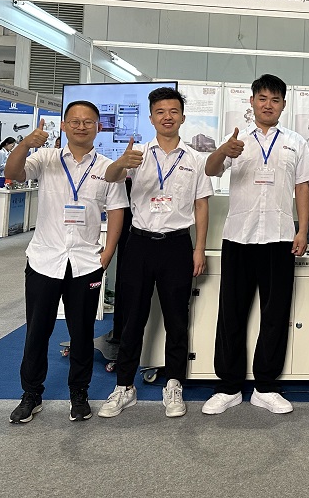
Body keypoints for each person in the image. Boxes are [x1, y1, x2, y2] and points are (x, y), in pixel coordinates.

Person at [5, 102, 128, 424]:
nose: (81, 126)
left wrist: (108, 252)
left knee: (82, 332)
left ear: (98, 127)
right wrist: (25, 144)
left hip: (86, 262)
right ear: (63, 125)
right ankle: (31, 395)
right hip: (45, 259)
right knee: (37, 331)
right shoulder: (45, 158)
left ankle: (79, 394)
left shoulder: (108, 168)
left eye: (88, 121)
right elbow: (13, 174)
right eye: (75, 121)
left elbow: (117, 209)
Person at [201, 74, 309, 416]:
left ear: (283, 105)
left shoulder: (296, 142)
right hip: (239, 237)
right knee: (231, 313)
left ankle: (265, 386)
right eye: (262, 98)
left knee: (275, 314)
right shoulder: (236, 140)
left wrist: (303, 230)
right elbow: (211, 170)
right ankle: (228, 386)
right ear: (251, 101)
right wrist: (223, 151)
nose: (268, 105)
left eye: (275, 100)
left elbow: (302, 188)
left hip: (279, 238)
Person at [97, 87, 212, 419]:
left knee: (177, 319)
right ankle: (124, 386)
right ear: (151, 118)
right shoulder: (137, 154)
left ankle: (174, 383)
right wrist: (121, 163)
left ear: (182, 117)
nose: (167, 117)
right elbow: (110, 178)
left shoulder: (195, 159)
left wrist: (199, 248)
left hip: (177, 245)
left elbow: (201, 206)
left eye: (173, 111)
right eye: (160, 112)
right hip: (139, 244)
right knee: (132, 318)